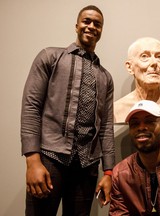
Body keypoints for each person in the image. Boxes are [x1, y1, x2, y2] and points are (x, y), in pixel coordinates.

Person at [21, 5, 115, 215]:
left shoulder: (105, 77)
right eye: (86, 21)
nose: (91, 26)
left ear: (101, 30)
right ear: (77, 25)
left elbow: (106, 126)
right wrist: (32, 161)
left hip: (87, 165)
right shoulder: (50, 57)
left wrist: (108, 172)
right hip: (49, 159)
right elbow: (31, 107)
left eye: (97, 24)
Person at [114, 37, 160, 123]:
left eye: (159, 57)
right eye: (144, 56)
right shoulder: (116, 110)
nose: (154, 63)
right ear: (130, 67)